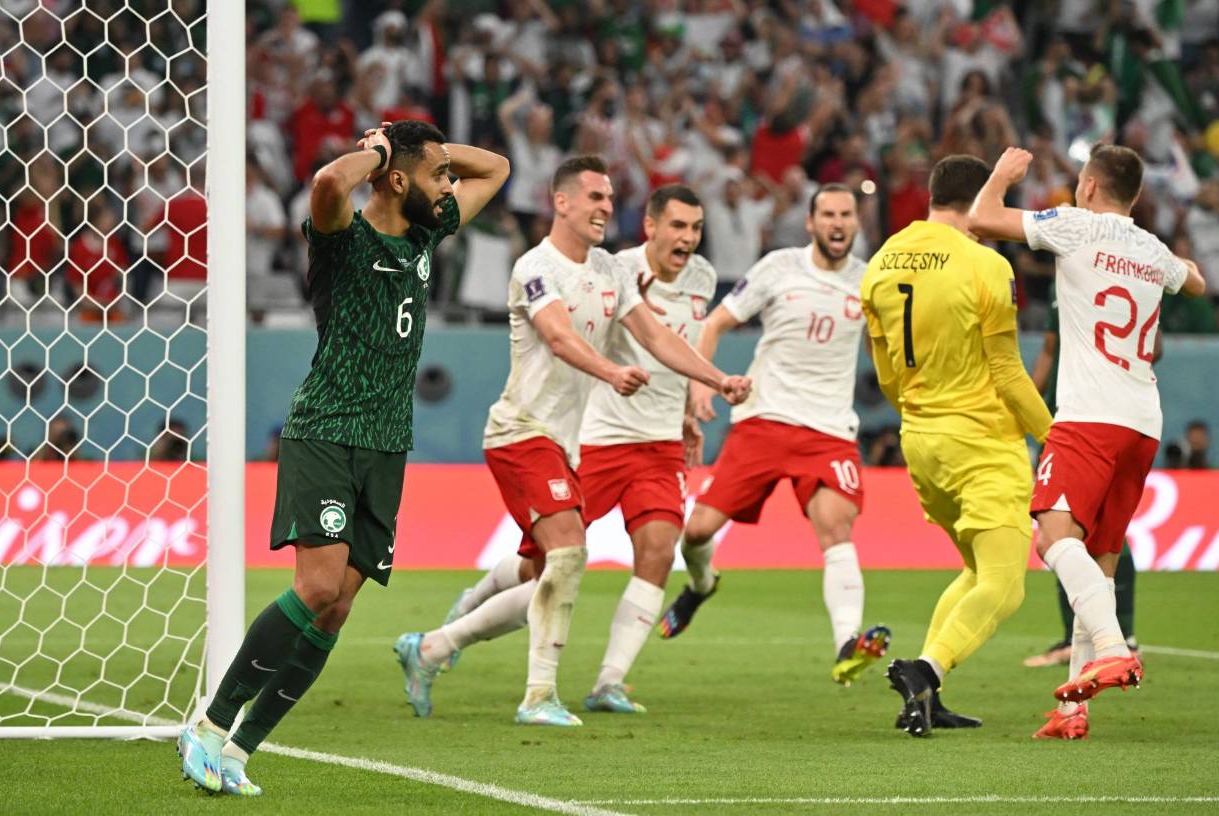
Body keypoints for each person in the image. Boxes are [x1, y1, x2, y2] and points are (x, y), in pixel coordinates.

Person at [176, 120, 510, 795]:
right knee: (318, 586)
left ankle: (239, 751)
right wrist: (382, 152)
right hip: (327, 428)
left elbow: (497, 168)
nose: (450, 186)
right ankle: (209, 725)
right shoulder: (342, 238)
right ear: (395, 179)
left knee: (337, 609)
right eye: (438, 176)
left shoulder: (428, 232)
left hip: (387, 445)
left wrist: (428, 152)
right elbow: (330, 181)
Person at [394, 159, 750, 727]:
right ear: (561, 202)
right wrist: (612, 373)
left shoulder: (609, 268)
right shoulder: (536, 267)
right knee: (562, 556)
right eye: (595, 197)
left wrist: (716, 380)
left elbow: (656, 336)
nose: (606, 207)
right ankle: (536, 695)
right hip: (521, 431)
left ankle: (434, 648)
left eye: (609, 198)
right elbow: (558, 336)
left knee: (561, 566)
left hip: (567, 444)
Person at [969, 143, 1206, 739]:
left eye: (1080, 179)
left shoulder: (1076, 225)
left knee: (1052, 537)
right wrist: (1170, 264)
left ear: (1092, 186)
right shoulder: (1152, 248)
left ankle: (1113, 647)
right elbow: (1198, 282)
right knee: (1098, 563)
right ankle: (1073, 712)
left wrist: (1001, 175)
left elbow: (982, 219)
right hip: (1142, 422)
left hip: (1088, 417)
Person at [659, 184, 891, 688]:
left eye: (846, 215)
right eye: (827, 214)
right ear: (810, 223)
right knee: (696, 531)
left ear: (857, 223)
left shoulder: (871, 281)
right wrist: (701, 386)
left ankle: (847, 645)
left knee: (836, 528)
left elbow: (881, 353)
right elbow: (715, 324)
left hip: (829, 429)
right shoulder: (778, 267)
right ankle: (700, 584)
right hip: (763, 420)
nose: (837, 223)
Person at [863, 155, 1052, 738]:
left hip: (920, 441)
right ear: (981, 203)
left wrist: (921, 412)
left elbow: (885, 373)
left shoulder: (882, 260)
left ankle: (928, 696)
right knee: (1005, 583)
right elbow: (1009, 372)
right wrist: (1056, 438)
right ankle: (924, 671)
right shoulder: (985, 264)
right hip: (982, 443)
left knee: (974, 568)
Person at [1022, 283, 1143, 670]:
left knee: (1060, 533)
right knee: (1100, 533)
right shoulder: (1135, 270)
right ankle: (1106, 646)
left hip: (1081, 417)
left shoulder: (1075, 270)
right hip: (1129, 415)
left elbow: (1050, 348)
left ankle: (1112, 641)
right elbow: (1153, 347)